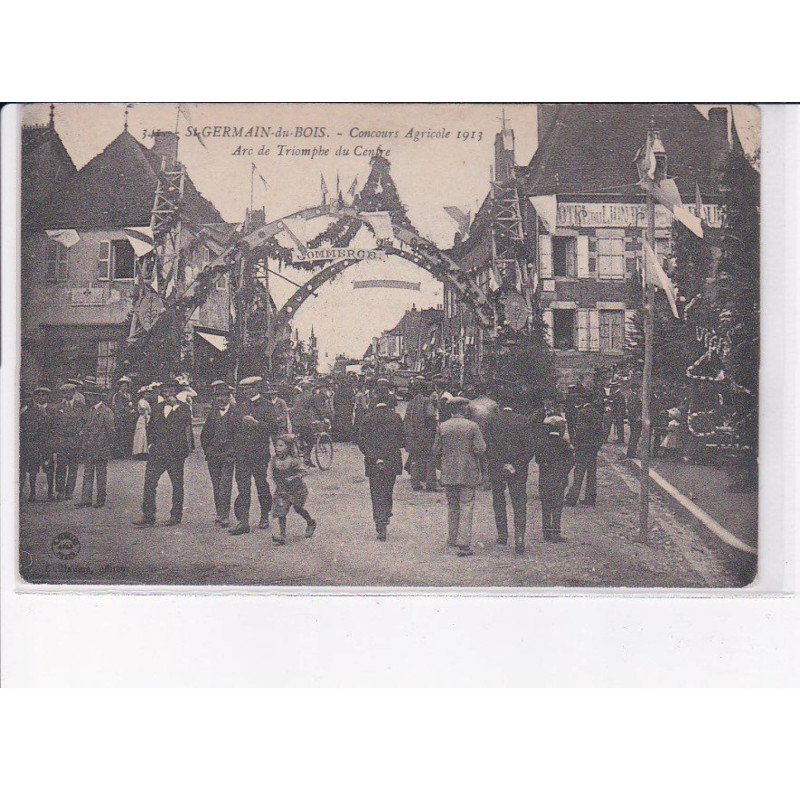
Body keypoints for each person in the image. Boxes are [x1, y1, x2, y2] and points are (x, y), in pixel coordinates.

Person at [132, 377, 193, 527]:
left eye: (170, 392)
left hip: (175, 453)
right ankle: (148, 515)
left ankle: (175, 516)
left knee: (177, 485)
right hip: (158, 452)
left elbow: (185, 422)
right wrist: (152, 444)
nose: (167, 395)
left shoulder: (184, 407)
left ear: (176, 393)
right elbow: (151, 426)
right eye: (164, 392)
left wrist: (175, 407)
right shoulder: (157, 407)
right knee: (149, 483)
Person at [484, 395, 539, 554]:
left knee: (498, 499)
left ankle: (502, 535)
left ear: (499, 406)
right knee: (519, 501)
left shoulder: (491, 420)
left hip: (497, 467)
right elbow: (530, 447)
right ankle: (519, 539)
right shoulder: (523, 420)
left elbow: (488, 446)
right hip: (518, 469)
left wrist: (501, 463)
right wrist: (515, 464)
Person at [433, 396, 486, 557]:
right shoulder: (472, 426)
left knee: (453, 505)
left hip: (449, 471)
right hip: (468, 471)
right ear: (464, 409)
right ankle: (464, 543)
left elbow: (436, 450)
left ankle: (452, 537)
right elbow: (480, 449)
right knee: (467, 505)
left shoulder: (443, 426)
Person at [230, 376, 277, 536]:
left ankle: (264, 516)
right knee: (243, 487)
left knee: (261, 485)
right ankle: (243, 521)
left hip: (259, 453)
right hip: (242, 453)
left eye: (249, 388)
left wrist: (257, 424)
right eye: (244, 389)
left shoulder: (267, 405)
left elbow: (274, 428)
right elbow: (234, 427)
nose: (246, 391)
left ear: (257, 388)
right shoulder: (242, 406)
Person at [356, 388, 405, 541]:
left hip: (373, 461)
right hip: (391, 460)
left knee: (376, 492)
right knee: (388, 489)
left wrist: (373, 456)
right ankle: (386, 514)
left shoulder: (367, 418)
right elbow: (402, 440)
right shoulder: (396, 418)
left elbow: (361, 441)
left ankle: (379, 523)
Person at [200, 381, 236, 528]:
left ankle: (225, 515)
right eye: (218, 396)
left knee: (225, 484)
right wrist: (207, 450)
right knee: (216, 485)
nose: (220, 399)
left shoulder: (235, 412)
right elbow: (205, 434)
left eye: (223, 396)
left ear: (229, 397)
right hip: (213, 455)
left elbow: (239, 435)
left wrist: (233, 452)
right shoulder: (213, 413)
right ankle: (219, 513)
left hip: (228, 455)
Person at [271, 434, 317, 545]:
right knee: (281, 510)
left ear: (288, 447)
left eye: (281, 445)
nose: (278, 448)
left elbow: (304, 471)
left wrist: (294, 477)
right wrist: (279, 485)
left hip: (297, 489)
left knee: (298, 508)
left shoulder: (293, 460)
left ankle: (310, 522)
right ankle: (282, 535)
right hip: (283, 489)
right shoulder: (274, 460)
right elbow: (274, 475)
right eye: (276, 445)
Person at [536, 415, 575, 543]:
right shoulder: (564, 444)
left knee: (545, 505)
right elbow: (571, 461)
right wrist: (563, 471)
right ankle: (555, 532)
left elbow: (538, 460)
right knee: (557, 506)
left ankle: (546, 531)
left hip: (545, 478)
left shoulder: (541, 443)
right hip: (559, 479)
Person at [75, 390, 115, 508]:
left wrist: (108, 445)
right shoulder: (91, 410)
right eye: (88, 396)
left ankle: (100, 499)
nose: (89, 398)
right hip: (89, 447)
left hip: (101, 447)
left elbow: (111, 431)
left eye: (91, 396)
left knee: (101, 474)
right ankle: (86, 499)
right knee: (87, 473)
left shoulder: (106, 411)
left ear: (98, 397)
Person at [565, 399, 605, 506]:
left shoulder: (582, 413)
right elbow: (601, 434)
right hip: (593, 449)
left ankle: (572, 499)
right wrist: (596, 447)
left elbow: (579, 432)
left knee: (578, 474)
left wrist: (575, 446)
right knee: (591, 474)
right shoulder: (597, 414)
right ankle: (590, 498)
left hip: (583, 449)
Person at [20, 387, 55, 501]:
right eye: (38, 395)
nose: (41, 397)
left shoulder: (53, 410)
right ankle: (32, 493)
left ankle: (50, 493)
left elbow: (55, 427)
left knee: (49, 470)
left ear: (48, 397)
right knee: (33, 470)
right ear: (35, 397)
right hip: (33, 445)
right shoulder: (28, 411)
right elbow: (25, 427)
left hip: (47, 445)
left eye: (44, 395)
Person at [403, 380, 438, 491]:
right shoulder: (427, 402)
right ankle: (430, 484)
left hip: (413, 436)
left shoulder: (411, 403)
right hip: (426, 436)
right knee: (430, 459)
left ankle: (415, 483)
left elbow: (406, 420)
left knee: (415, 459)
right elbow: (431, 416)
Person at [53, 382, 85, 500]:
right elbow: (55, 426)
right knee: (61, 467)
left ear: (74, 392)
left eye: (70, 392)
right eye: (65, 392)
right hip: (62, 441)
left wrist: (81, 433)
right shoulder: (58, 407)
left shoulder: (80, 406)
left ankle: (69, 491)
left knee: (73, 467)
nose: (67, 394)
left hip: (75, 440)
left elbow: (84, 422)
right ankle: (60, 491)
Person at [467, 383, 499, 489]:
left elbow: (468, 419)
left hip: (475, 433)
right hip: (490, 433)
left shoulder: (471, 404)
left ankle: (476, 479)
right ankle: (487, 479)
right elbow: (497, 419)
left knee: (475, 456)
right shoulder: (493, 404)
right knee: (488, 457)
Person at [289, 380, 318, 466]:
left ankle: (300, 449)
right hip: (304, 422)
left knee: (300, 438)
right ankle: (306, 457)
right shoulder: (311, 396)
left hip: (295, 421)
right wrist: (322, 418)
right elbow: (316, 408)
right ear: (309, 388)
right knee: (311, 440)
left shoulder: (296, 396)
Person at [111, 376, 136, 458]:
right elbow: (119, 406)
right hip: (120, 417)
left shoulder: (129, 395)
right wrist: (128, 409)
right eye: (123, 386)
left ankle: (126, 452)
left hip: (128, 417)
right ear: (120, 386)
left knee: (127, 434)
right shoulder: (117, 395)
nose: (124, 388)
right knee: (120, 433)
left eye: (126, 386)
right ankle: (118, 453)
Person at [132, 386, 151, 459]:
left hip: (146, 418)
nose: (147, 395)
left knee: (144, 435)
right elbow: (143, 409)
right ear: (143, 394)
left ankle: (143, 452)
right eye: (146, 394)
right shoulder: (141, 401)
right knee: (140, 435)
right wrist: (146, 415)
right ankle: (139, 452)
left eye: (148, 394)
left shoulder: (146, 401)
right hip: (142, 418)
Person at [625, 384, 643, 459]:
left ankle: (631, 452)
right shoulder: (634, 398)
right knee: (635, 436)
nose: (640, 389)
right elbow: (633, 409)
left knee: (633, 436)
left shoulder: (632, 397)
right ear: (635, 389)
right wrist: (637, 417)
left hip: (633, 419)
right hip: (635, 420)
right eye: (638, 388)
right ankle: (632, 453)